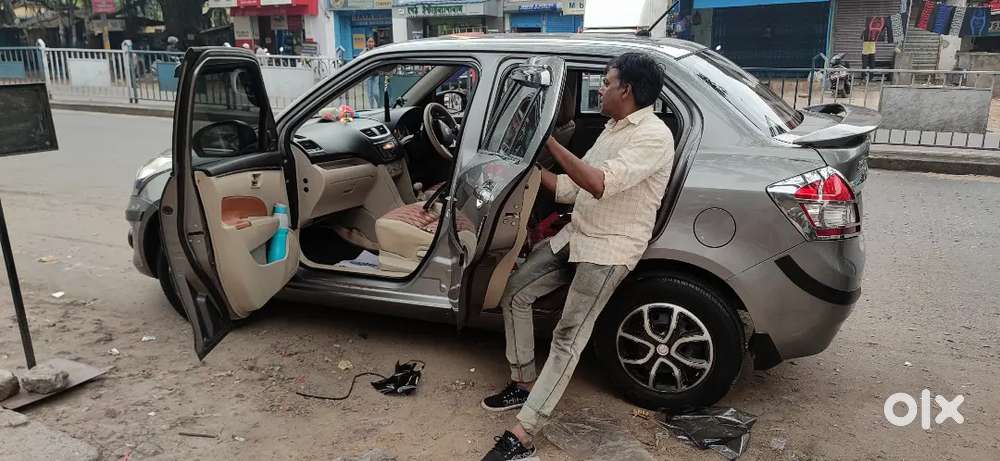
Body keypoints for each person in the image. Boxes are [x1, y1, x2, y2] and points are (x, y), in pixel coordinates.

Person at [480, 52, 673, 461]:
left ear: (627, 90)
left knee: (569, 336)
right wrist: (527, 167)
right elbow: (573, 188)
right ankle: (524, 383)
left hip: (611, 246)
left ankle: (524, 435)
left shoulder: (653, 136)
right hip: (579, 233)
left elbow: (600, 184)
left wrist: (545, 140)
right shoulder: (613, 129)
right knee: (515, 293)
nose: (600, 89)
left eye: (606, 82)